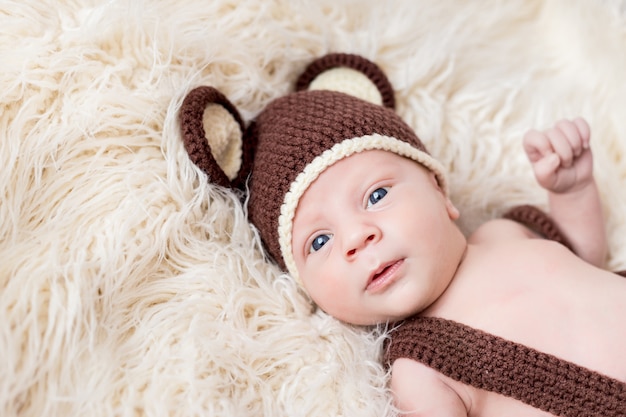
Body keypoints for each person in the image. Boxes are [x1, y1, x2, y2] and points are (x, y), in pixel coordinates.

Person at [179, 53, 626, 417]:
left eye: (375, 196)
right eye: (319, 242)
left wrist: (573, 190)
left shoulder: (503, 233)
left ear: (440, 192)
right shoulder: (418, 366)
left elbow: (584, 257)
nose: (357, 237)